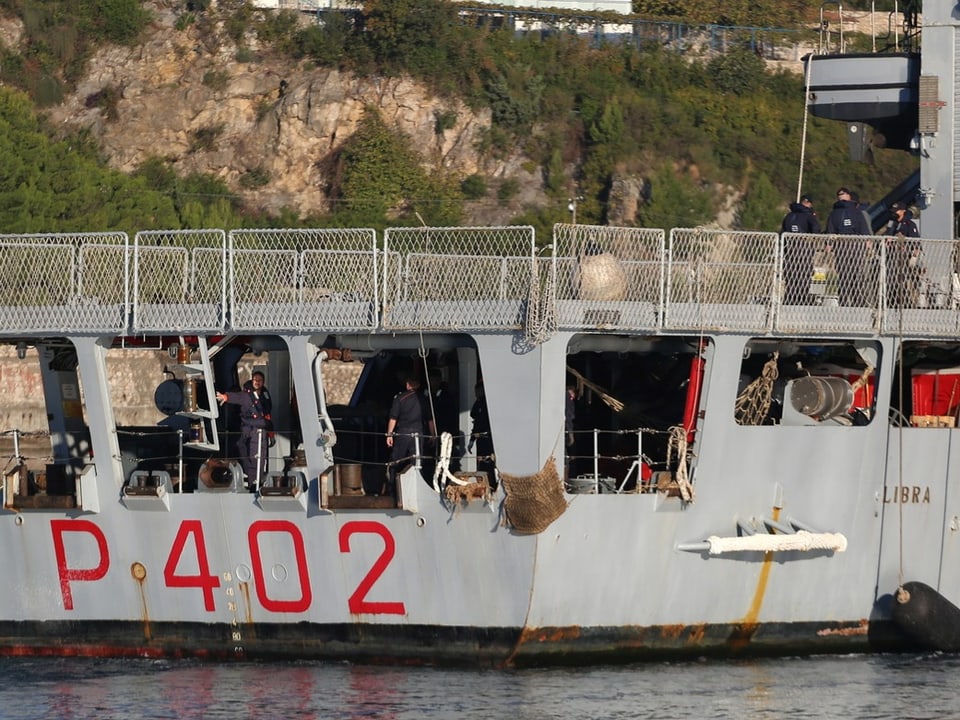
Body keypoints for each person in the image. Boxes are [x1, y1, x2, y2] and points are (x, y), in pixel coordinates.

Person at [216, 371, 272, 486]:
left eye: (259, 380)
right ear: (252, 381)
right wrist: (225, 397)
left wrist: (271, 434)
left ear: (263, 382)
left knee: (259, 459)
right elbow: (236, 397)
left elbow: (267, 415)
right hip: (249, 431)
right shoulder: (246, 395)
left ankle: (256, 482)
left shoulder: (265, 396)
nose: (257, 382)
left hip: (261, 432)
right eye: (255, 380)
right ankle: (253, 483)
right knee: (248, 456)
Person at [385, 377, 435, 496]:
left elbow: (393, 418)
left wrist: (389, 434)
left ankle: (392, 489)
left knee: (396, 461)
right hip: (418, 435)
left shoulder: (400, 398)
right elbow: (430, 420)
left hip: (403, 433)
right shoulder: (424, 399)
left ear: (408, 385)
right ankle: (417, 490)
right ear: (417, 385)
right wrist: (433, 435)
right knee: (417, 463)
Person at [826, 187, 871, 306]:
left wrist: (829, 244)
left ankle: (851, 302)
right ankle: (853, 303)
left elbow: (830, 231)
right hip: (850, 246)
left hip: (847, 246)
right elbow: (864, 229)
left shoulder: (837, 213)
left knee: (848, 276)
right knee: (851, 276)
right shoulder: (854, 212)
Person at [780, 194, 820, 305]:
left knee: (791, 280)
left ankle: (788, 302)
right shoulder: (808, 216)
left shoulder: (789, 216)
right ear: (809, 204)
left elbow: (782, 231)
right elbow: (816, 229)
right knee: (803, 279)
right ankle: (801, 302)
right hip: (804, 250)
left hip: (789, 251)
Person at [884, 201, 923, 307]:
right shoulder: (892, 222)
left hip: (905, 256)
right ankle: (891, 300)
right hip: (892, 255)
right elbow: (888, 235)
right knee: (891, 279)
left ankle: (906, 301)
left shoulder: (910, 224)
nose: (895, 213)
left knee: (903, 279)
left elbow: (916, 242)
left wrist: (914, 255)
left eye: (897, 211)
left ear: (903, 211)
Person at [469, 380, 495, 484]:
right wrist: (472, 440)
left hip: (488, 438)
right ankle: (482, 484)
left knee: (489, 462)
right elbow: (475, 421)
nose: (476, 393)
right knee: (480, 463)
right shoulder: (478, 403)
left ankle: (491, 484)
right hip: (480, 438)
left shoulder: (488, 403)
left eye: (478, 391)